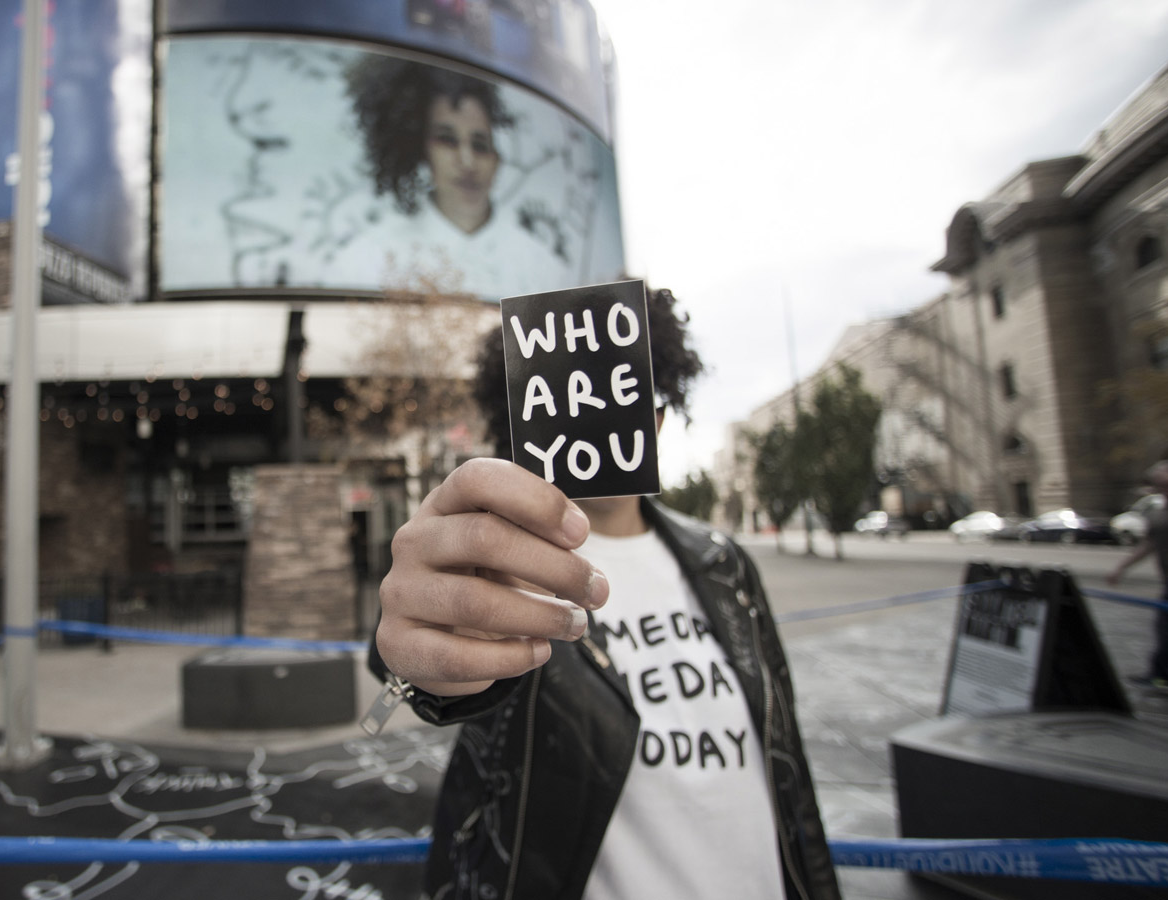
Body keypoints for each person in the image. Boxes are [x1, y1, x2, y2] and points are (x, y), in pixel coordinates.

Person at [366, 286, 841, 899]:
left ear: (659, 416)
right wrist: (419, 656)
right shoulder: (493, 563)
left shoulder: (726, 564)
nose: (595, 408)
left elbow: (789, 771)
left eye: (623, 387)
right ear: (530, 412)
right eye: (572, 389)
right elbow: (405, 667)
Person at [341, 57, 572, 297]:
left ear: (497, 160)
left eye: (480, 145)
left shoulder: (543, 269)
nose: (467, 162)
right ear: (422, 152)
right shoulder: (370, 254)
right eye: (447, 140)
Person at [1107, 459, 1168, 692]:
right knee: (1165, 629)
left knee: (1166, 628)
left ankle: (1162, 674)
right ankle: (1161, 675)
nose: (1165, 489)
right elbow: (1149, 545)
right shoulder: (1158, 513)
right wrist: (1121, 568)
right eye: (1160, 485)